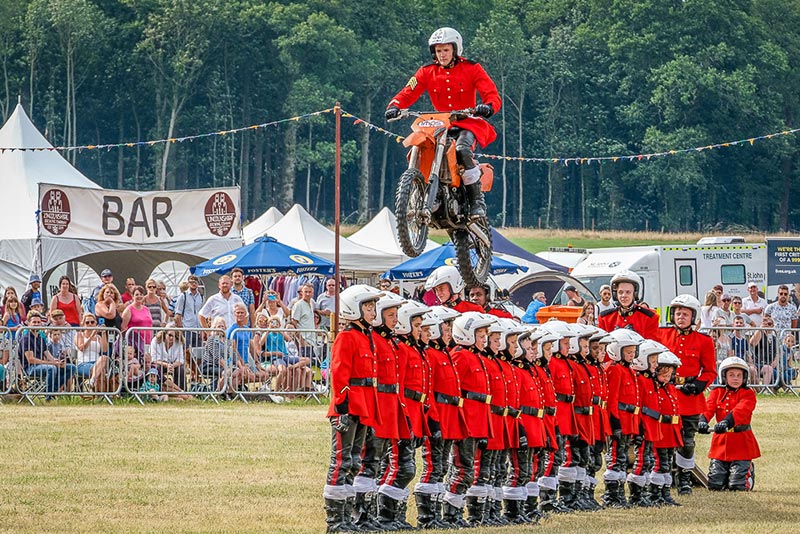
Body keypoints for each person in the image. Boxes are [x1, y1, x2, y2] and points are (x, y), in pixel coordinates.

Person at [385, 27, 501, 218]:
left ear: (455, 50)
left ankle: (476, 201)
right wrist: (394, 105)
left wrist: (488, 106)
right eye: (438, 51)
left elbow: (492, 94)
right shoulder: (426, 72)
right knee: (423, 147)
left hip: (466, 123)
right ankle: (425, 192)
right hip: (438, 124)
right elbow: (408, 91)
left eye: (446, 50)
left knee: (462, 150)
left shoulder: (472, 68)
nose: (442, 54)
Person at [323, 284, 382, 533]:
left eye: (372, 307)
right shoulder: (347, 336)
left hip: (362, 405)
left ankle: (347, 518)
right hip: (348, 406)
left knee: (354, 462)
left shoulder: (364, 336)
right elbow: (339, 372)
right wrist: (342, 405)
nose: (372, 311)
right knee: (341, 461)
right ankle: (336, 523)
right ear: (354, 308)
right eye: (368, 307)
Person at [658, 294, 717, 495]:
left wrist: (699, 385)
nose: (680, 317)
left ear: (693, 317)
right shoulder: (662, 336)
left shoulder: (703, 341)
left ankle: (684, 479)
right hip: (666, 395)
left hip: (690, 399)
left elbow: (710, 371)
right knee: (663, 439)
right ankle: (664, 477)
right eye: (677, 313)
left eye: (685, 314)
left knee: (687, 441)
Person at [445, 311, 495, 526]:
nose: (484, 339)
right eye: (481, 334)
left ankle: (458, 511)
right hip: (466, 421)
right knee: (463, 469)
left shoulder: (475, 356)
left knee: (470, 470)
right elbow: (454, 389)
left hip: (477, 421)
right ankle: (451, 512)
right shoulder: (460, 355)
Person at [418, 305, 466, 528]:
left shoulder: (443, 354)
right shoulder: (431, 355)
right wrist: (432, 419)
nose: (449, 334)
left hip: (448, 417)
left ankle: (436, 514)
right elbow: (430, 391)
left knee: (441, 468)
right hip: (437, 417)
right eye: (445, 329)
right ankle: (427, 517)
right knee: (432, 466)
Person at [698, 357, 760, 491]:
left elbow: (741, 411)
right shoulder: (717, 392)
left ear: (744, 377)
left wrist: (727, 422)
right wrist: (702, 420)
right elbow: (708, 408)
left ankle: (747, 471)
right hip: (721, 443)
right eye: (731, 375)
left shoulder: (748, 394)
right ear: (724, 376)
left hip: (741, 443)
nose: (735, 378)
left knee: (737, 486)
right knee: (715, 485)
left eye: (739, 375)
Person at [602, 328, 644, 507]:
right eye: (628, 351)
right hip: (619, 421)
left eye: (633, 351)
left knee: (623, 459)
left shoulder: (630, 371)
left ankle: (619, 494)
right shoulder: (615, 370)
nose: (631, 354)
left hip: (629, 422)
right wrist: (615, 422)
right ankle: (611, 496)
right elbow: (612, 400)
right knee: (615, 458)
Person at [650, 350, 684, 506]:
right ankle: (655, 494)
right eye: (663, 373)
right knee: (660, 463)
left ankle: (665, 493)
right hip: (660, 432)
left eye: (669, 374)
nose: (667, 377)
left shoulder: (670, 389)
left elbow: (676, 409)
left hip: (672, 431)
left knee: (668, 463)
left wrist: (680, 428)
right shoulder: (654, 388)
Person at [19, 312, 76, 400]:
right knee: (51, 368)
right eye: (34, 322)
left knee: (71, 367)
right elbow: (31, 359)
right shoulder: (26, 339)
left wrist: (57, 362)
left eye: (38, 322)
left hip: (42, 366)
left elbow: (48, 355)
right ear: (29, 323)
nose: (37, 324)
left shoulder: (41, 339)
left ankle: (51, 390)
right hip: (30, 368)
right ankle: (48, 397)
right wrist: (52, 363)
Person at [598, 270, 659, 340]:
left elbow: (652, 346)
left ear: (635, 293)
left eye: (628, 292)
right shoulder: (605, 318)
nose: (624, 295)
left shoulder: (649, 318)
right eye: (620, 292)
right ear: (615, 294)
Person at [74, 313, 110, 391]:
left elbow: (104, 350)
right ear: (83, 324)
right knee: (101, 372)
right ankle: (100, 396)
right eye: (87, 323)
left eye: (92, 322)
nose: (90, 324)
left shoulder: (98, 337)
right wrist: (91, 336)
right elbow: (81, 348)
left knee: (104, 358)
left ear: (96, 323)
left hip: (97, 362)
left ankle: (93, 382)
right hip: (83, 363)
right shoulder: (79, 335)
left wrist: (104, 333)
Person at [150, 326, 186, 390]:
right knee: (156, 368)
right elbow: (153, 359)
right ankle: (158, 390)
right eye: (170, 335)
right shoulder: (155, 340)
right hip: (159, 363)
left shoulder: (179, 342)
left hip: (173, 364)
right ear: (165, 334)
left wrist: (172, 366)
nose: (172, 338)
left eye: (174, 336)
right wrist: (166, 365)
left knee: (181, 369)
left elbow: (180, 360)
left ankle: (181, 391)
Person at [174, 274, 204, 348]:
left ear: (198, 284)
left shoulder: (201, 297)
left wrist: (202, 330)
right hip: (187, 328)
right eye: (191, 282)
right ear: (188, 284)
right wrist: (181, 329)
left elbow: (203, 315)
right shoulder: (183, 296)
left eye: (195, 282)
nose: (194, 284)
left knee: (198, 354)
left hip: (198, 329)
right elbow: (178, 315)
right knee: (185, 351)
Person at [749, 315, 778, 386]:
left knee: (768, 368)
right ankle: (760, 390)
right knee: (753, 370)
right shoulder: (759, 334)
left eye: (769, 324)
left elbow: (777, 352)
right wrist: (760, 329)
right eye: (766, 324)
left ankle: (766, 389)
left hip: (769, 364)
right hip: (757, 362)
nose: (767, 326)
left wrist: (775, 361)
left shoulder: (774, 338)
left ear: (773, 325)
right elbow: (753, 342)